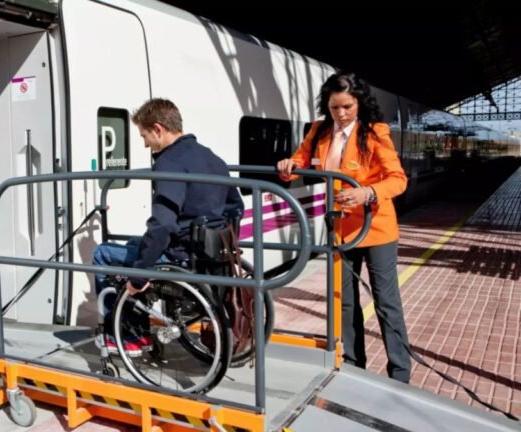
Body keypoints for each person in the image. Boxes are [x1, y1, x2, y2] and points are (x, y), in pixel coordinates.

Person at [276, 71, 411, 383]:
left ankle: (400, 373)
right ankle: (352, 366)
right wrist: (287, 168)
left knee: (386, 302)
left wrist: (368, 192)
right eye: (335, 107)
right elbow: (298, 163)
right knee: (344, 302)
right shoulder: (319, 130)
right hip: (340, 229)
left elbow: (398, 179)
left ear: (359, 103)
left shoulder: (375, 132)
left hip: (375, 228)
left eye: (347, 107)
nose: (341, 114)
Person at [93, 98, 243, 356]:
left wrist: (139, 277)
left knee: (103, 254)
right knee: (133, 245)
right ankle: (137, 314)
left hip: (182, 257)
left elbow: (162, 225)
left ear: (159, 129)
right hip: (210, 255)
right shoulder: (212, 158)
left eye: (145, 136)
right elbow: (235, 207)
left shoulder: (169, 163)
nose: (144, 143)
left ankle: (131, 336)